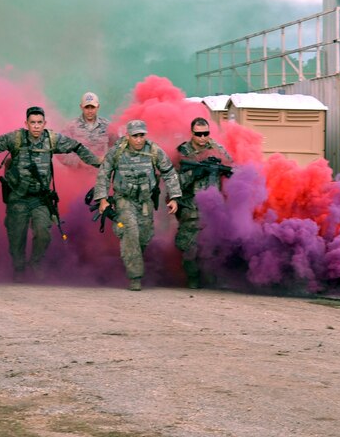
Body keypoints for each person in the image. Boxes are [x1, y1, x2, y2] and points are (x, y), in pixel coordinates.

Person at [0, 106, 101, 280]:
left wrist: (96, 161)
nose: (36, 126)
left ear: (45, 123)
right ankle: (19, 268)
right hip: (18, 197)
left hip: (40, 198)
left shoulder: (52, 139)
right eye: (33, 123)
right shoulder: (16, 138)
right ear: (26, 123)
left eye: (40, 123)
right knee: (16, 235)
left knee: (43, 233)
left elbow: (76, 146)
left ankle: (36, 263)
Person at [93, 120, 182, 291]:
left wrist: (174, 197)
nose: (139, 139)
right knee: (130, 231)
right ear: (128, 136)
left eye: (142, 135)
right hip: (124, 199)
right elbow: (103, 173)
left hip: (145, 201)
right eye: (135, 136)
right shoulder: (118, 152)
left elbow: (169, 172)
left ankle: (130, 257)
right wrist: (102, 199)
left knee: (144, 236)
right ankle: (135, 277)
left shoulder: (153, 150)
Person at [175, 117, 233, 289]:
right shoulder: (183, 151)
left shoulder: (217, 149)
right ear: (192, 134)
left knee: (212, 246)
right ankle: (192, 279)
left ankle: (211, 280)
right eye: (198, 134)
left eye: (205, 134)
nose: (202, 138)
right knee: (189, 246)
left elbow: (230, 166)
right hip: (190, 206)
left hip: (213, 207)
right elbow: (175, 180)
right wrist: (195, 173)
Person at [61, 91, 116, 162]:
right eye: (87, 107)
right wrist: (78, 163)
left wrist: (108, 160)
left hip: (101, 171)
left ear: (98, 107)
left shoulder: (107, 125)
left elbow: (117, 147)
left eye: (92, 107)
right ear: (81, 107)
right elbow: (61, 152)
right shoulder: (71, 127)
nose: (90, 111)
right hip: (79, 171)